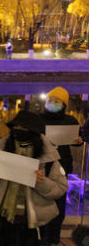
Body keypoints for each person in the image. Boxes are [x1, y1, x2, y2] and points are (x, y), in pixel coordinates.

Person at [0, 110, 68, 246]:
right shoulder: (3, 149)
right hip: (5, 216)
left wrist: (41, 181)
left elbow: (61, 188)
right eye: (15, 127)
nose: (18, 131)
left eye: (23, 128)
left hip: (34, 220)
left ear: (34, 132)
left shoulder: (48, 157)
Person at [39, 87, 83, 246]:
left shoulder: (70, 121)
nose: (52, 103)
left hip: (61, 168)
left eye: (56, 101)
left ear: (63, 104)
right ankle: (41, 237)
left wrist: (79, 141)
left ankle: (54, 238)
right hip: (41, 168)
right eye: (49, 100)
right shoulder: (38, 120)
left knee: (59, 206)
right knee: (41, 204)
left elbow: (77, 143)